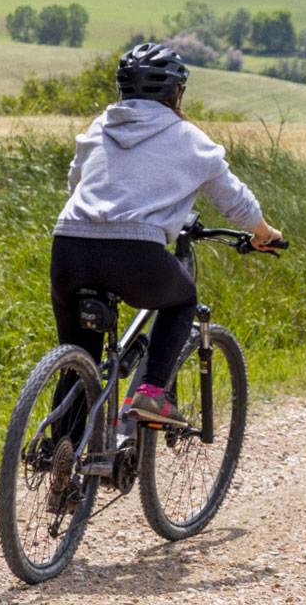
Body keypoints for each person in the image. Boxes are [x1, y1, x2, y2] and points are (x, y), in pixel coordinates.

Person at [51, 42, 282, 427]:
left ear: (123, 89)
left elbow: (75, 183)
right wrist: (264, 232)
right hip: (134, 255)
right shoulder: (188, 138)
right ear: (176, 91)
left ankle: (61, 463)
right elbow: (235, 202)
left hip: (69, 246)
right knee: (182, 297)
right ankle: (153, 392)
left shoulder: (98, 126)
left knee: (80, 359)